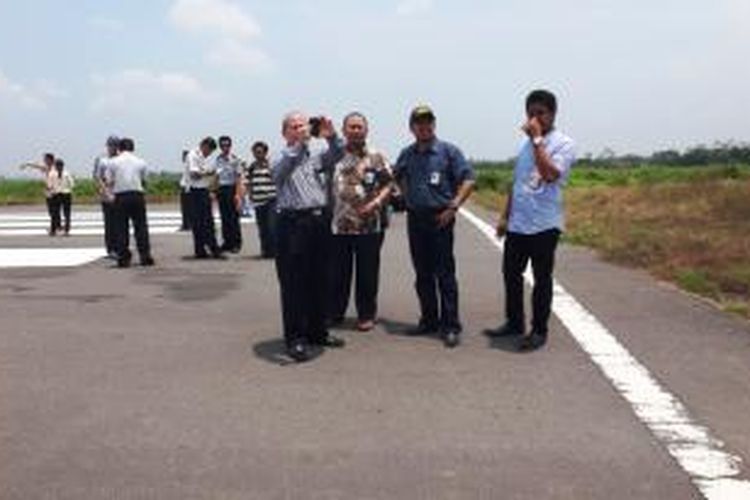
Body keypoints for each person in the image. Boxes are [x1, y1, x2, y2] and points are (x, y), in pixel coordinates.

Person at [486, 89, 576, 351]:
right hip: (519, 223)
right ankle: (514, 322)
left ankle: (539, 330)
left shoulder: (564, 144)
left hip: (544, 224)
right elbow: (518, 184)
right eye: (530, 113)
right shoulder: (524, 145)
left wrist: (537, 140)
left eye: (540, 113)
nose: (535, 118)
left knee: (541, 278)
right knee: (511, 274)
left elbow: (549, 175)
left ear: (552, 114)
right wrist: (504, 217)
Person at [394, 105, 475, 348]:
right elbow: (394, 177)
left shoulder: (449, 152)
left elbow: (468, 179)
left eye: (428, 122)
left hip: (441, 217)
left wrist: (454, 206)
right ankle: (429, 320)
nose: (424, 126)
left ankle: (450, 325)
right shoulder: (407, 154)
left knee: (445, 274)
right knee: (422, 273)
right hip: (416, 218)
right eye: (419, 123)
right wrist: (403, 195)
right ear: (412, 127)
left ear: (434, 125)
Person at [272, 111, 346, 362]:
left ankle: (318, 331)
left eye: (303, 125)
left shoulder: (314, 156)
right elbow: (279, 175)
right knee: (294, 284)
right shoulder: (280, 156)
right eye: (294, 126)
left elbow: (339, 154)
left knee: (321, 280)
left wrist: (331, 134)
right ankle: (295, 338)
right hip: (293, 224)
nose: (301, 129)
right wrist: (300, 144)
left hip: (319, 221)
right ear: (285, 133)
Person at [328, 112, 394, 332]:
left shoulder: (376, 157)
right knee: (338, 273)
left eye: (359, 127)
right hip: (339, 225)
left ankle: (366, 315)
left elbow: (389, 184)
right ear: (344, 130)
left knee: (367, 274)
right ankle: (335, 312)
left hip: (369, 226)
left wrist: (376, 204)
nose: (355, 130)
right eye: (351, 127)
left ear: (366, 130)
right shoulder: (334, 155)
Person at [105, 137, 155, 268]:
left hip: (121, 196)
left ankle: (123, 257)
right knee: (141, 227)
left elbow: (109, 181)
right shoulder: (141, 162)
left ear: (119, 148)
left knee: (121, 228)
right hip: (137, 195)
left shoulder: (113, 162)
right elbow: (144, 181)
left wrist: (110, 195)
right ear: (133, 148)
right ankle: (145, 255)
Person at [185, 137, 224, 259]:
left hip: (203, 190)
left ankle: (205, 248)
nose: (209, 154)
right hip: (195, 191)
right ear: (204, 146)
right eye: (209, 151)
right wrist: (210, 173)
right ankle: (205, 249)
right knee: (201, 223)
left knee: (206, 222)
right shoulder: (193, 155)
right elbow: (194, 174)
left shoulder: (201, 157)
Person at [244, 141, 277, 258]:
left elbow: (279, 180)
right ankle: (266, 251)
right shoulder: (251, 167)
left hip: (271, 200)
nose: (257, 155)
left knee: (272, 227)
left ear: (265, 153)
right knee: (262, 228)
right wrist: (250, 194)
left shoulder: (272, 165)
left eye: (260, 152)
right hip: (258, 201)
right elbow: (247, 182)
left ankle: (274, 251)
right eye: (255, 152)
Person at [214, 136, 245, 253]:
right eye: (222, 145)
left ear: (230, 146)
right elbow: (216, 177)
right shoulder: (218, 159)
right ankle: (227, 242)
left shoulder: (235, 159)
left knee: (233, 218)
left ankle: (236, 243)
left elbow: (238, 178)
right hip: (222, 189)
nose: (225, 147)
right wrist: (214, 191)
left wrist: (237, 194)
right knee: (224, 218)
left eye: (227, 145)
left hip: (232, 189)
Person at [93, 136, 119, 256]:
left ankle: (119, 246)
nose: (113, 147)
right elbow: (98, 177)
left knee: (119, 223)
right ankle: (111, 248)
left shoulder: (120, 159)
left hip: (119, 194)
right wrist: (105, 192)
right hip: (107, 195)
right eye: (111, 145)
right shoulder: (102, 160)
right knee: (109, 223)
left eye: (115, 145)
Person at [19, 153, 57, 235]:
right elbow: (36, 165)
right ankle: (57, 225)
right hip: (48, 191)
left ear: (50, 160)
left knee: (54, 211)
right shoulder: (46, 167)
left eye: (46, 159)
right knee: (51, 211)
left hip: (56, 191)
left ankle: (54, 228)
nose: (44, 161)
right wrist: (27, 164)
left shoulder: (55, 168)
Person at [49, 159, 75, 236]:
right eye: (58, 165)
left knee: (64, 213)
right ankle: (55, 229)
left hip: (64, 194)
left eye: (59, 165)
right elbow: (72, 184)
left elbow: (72, 184)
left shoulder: (66, 173)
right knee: (56, 213)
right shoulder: (53, 174)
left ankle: (64, 230)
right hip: (58, 194)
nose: (58, 167)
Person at [179, 150, 192, 231]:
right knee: (184, 209)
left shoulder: (189, 166)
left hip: (187, 189)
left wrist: (187, 189)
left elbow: (188, 179)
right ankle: (186, 224)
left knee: (186, 209)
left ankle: (186, 225)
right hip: (185, 188)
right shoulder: (186, 166)